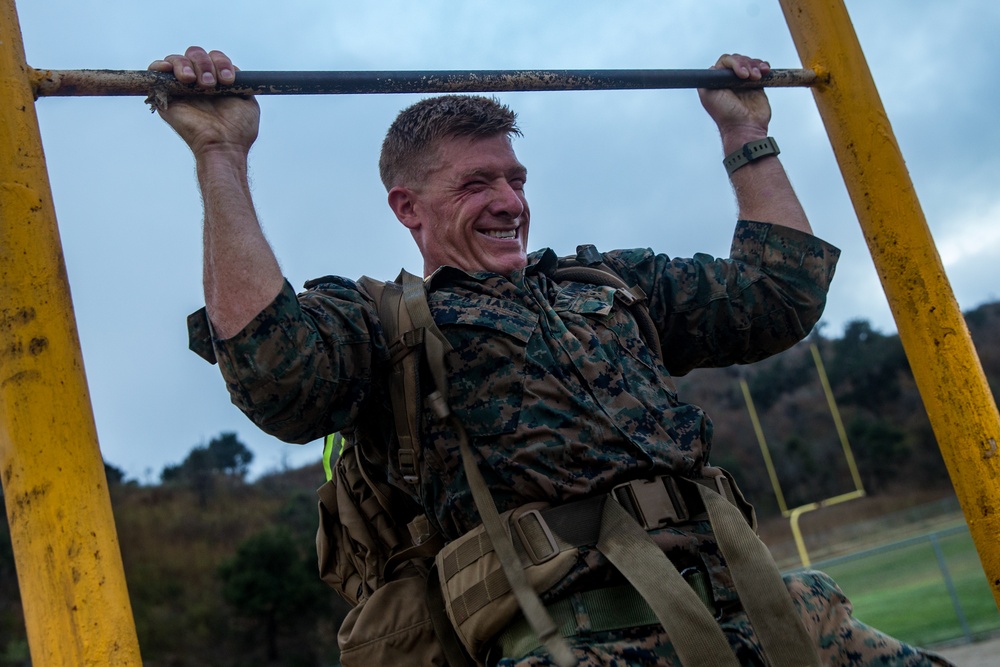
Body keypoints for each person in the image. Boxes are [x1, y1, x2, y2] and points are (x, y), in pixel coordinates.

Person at [150, 47, 952, 666]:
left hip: (769, 607)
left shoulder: (607, 284)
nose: (508, 200)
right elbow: (274, 374)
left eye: (515, 177)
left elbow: (779, 296)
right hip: (584, 640)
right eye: (475, 184)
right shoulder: (384, 320)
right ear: (408, 206)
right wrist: (221, 152)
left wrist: (745, 131)